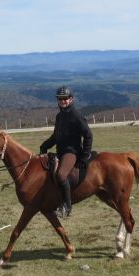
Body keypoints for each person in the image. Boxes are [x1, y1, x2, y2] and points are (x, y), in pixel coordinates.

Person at [40, 85, 93, 218]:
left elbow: (88, 135)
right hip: (60, 152)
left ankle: (67, 206)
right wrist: (45, 146)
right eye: (60, 98)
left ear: (71, 99)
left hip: (71, 152)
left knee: (61, 175)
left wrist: (85, 157)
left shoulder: (76, 116)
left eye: (65, 98)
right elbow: (56, 137)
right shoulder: (59, 116)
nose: (63, 101)